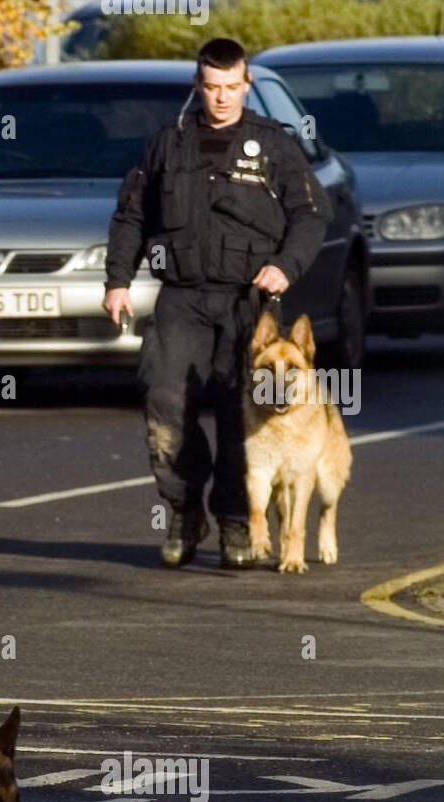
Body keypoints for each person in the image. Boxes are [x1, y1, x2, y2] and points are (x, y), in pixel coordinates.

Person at [103, 37, 330, 568]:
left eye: (232, 87)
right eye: (212, 87)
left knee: (241, 415)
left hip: (248, 307)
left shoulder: (274, 144)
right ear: (197, 85)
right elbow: (132, 217)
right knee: (165, 408)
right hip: (181, 299)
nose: (222, 97)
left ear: (247, 85)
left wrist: (285, 266)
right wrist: (118, 281)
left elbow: (311, 216)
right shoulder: (167, 144)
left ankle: (235, 521)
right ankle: (183, 512)